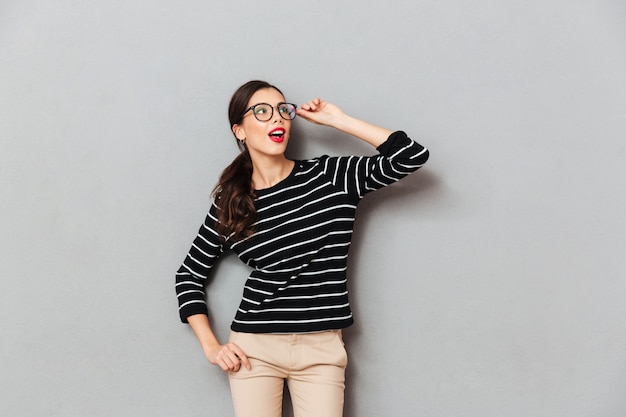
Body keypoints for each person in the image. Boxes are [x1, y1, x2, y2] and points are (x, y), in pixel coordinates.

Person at [175, 80, 429, 417]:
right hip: (255, 348)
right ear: (240, 130)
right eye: (262, 112)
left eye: (283, 110)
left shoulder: (330, 176)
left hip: (321, 349)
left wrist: (339, 120)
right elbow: (188, 275)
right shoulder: (232, 202)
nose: (277, 119)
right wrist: (211, 346)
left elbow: (411, 156)